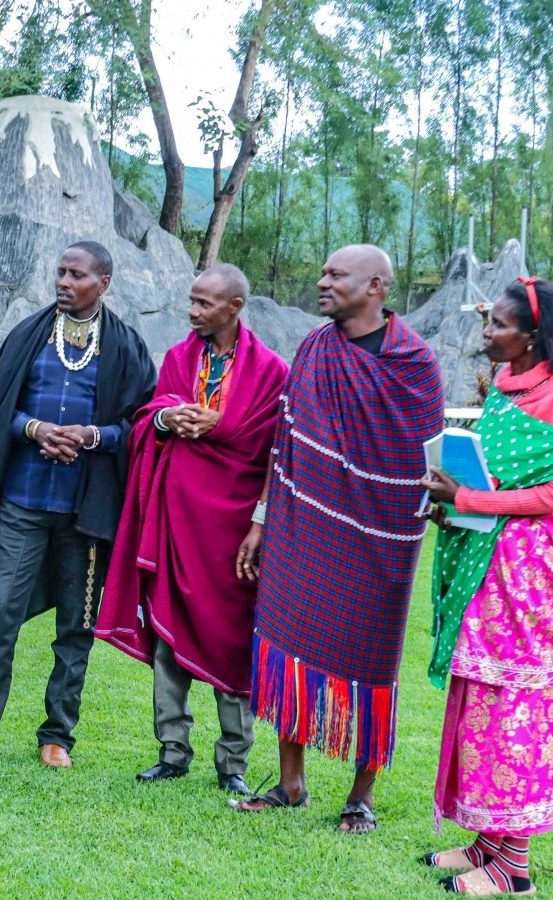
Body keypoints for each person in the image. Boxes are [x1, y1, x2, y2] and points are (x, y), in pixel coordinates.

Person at [233, 244, 444, 833]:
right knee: (288, 640)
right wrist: (261, 519)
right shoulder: (315, 347)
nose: (322, 281)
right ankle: (291, 783)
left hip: (382, 536)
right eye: (322, 271)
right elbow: (287, 441)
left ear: (376, 286)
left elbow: (424, 465)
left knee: (372, 657)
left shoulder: (414, 362)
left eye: (336, 274)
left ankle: (361, 796)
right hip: (304, 526)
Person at [0, 240, 156, 769]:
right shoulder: (29, 335)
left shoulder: (125, 346)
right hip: (21, 502)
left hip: (86, 513)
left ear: (103, 283)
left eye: (76, 274)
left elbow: (142, 424)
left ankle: (57, 735)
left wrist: (91, 437)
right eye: (59, 271)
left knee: (77, 624)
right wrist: (35, 429)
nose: (63, 281)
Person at [420, 277, 553, 896]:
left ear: (532, 336)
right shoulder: (507, 392)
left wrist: (465, 496)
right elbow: (493, 476)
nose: (487, 334)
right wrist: (453, 508)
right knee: (479, 702)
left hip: (528, 577)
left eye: (498, 326)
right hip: (486, 562)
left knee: (514, 707)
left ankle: (513, 869)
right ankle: (485, 844)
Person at [96, 264, 287, 795]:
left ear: (235, 307)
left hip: (232, 530)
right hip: (175, 521)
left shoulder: (271, 370)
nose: (194, 311)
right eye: (192, 301)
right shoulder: (181, 357)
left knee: (230, 638)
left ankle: (233, 762)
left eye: (205, 304)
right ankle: (173, 749)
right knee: (165, 633)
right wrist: (166, 420)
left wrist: (219, 426)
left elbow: (272, 446)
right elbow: (152, 410)